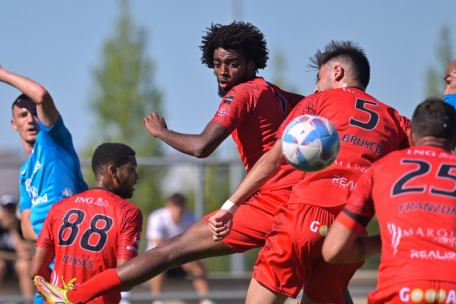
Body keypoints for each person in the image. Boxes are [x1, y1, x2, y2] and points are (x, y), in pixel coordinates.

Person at [33, 21, 308, 304]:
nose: (223, 72)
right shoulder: (282, 96)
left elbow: (202, 147)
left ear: (252, 64)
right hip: (303, 206)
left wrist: (160, 132)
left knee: (170, 250)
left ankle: (74, 296)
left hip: (272, 204)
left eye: (232, 63)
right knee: (326, 289)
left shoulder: (243, 93)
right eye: (217, 63)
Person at [207, 40, 412, 304]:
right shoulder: (395, 118)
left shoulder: (318, 101)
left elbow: (273, 159)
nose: (315, 86)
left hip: (306, 214)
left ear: (337, 72)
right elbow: (428, 152)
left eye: (319, 77)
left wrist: (230, 205)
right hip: (352, 227)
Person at [322, 98, 456, 304]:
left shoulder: (382, 168)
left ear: (411, 135)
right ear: (454, 139)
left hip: (401, 289)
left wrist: (393, 239)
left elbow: (334, 249)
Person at [32, 143, 143, 304]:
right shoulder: (129, 213)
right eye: (132, 169)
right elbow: (126, 278)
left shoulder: (59, 208)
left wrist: (61, 297)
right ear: (113, 171)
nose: (136, 176)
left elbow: (36, 270)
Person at [0, 66, 88, 243]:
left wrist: (2, 75)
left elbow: (40, 95)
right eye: (23, 115)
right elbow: (26, 227)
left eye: (35, 113)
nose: (30, 119)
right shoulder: (25, 172)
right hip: (48, 255)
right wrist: (49, 243)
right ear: (14, 124)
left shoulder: (54, 141)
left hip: (73, 251)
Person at [147, 193, 214, 304]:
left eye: (180, 207)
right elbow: (158, 247)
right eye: (175, 206)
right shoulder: (157, 218)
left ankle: (205, 300)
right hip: (161, 261)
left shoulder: (191, 219)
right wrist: (179, 257)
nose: (178, 210)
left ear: (185, 207)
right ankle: (157, 300)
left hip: (181, 262)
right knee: (158, 261)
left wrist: (187, 258)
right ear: (168, 206)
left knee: (198, 264)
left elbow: (195, 246)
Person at [0, 193, 34, 303]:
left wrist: (12, 230)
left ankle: (28, 301)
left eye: (11, 209)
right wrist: (15, 256)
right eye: (6, 209)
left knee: (24, 265)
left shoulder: (21, 225)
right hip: (5, 262)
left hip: (18, 263)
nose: (9, 213)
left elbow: (24, 251)